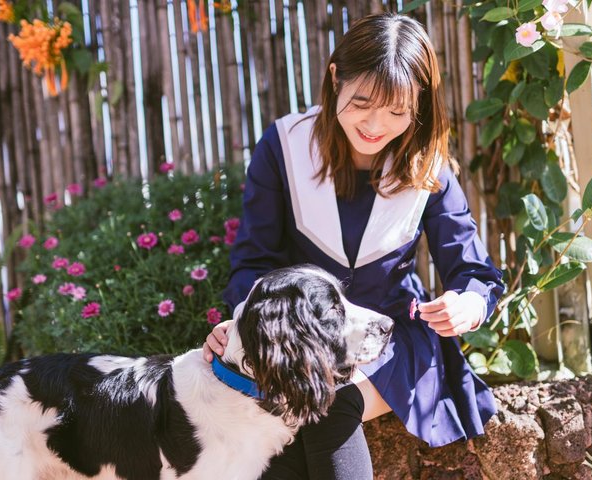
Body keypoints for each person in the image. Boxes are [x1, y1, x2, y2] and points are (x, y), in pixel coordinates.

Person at [203, 12, 505, 480]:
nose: (375, 125)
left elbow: (473, 272)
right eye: (362, 102)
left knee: (326, 404)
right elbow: (254, 262)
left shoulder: (429, 168)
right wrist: (244, 321)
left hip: (394, 337)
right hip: (302, 337)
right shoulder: (285, 146)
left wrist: (467, 304)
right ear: (334, 78)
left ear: (420, 103)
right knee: (273, 429)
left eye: (397, 111)